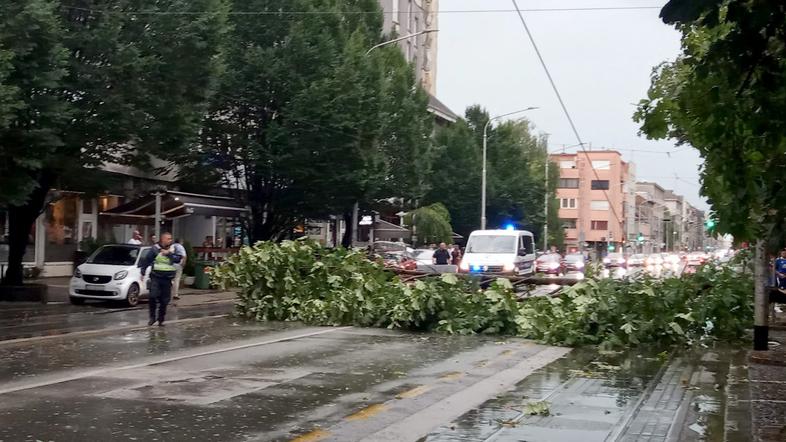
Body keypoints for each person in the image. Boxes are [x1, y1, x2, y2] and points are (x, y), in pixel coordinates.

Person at [138, 232, 182, 326]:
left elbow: (178, 259)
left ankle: (161, 319)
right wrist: (143, 271)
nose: (170, 240)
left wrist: (169, 254)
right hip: (156, 277)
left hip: (167, 279)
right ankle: (152, 317)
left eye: (171, 239)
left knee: (164, 301)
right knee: (152, 296)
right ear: (163, 239)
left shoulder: (174, 249)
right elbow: (147, 260)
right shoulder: (155, 249)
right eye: (168, 239)